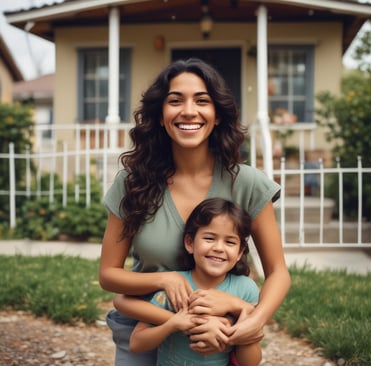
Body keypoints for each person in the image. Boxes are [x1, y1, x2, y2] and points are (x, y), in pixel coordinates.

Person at [99, 58, 291, 365]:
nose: (189, 111)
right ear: (160, 116)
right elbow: (109, 275)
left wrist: (254, 320)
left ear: (217, 116)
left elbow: (278, 273)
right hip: (146, 329)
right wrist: (165, 280)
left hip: (218, 333)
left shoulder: (248, 183)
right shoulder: (132, 183)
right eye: (175, 101)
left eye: (202, 101)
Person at [115, 198, 261, 366]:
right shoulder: (175, 287)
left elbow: (251, 362)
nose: (219, 248)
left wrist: (230, 333)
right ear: (190, 243)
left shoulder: (246, 290)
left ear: (239, 252)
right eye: (209, 238)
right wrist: (172, 324)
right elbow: (136, 343)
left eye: (229, 242)